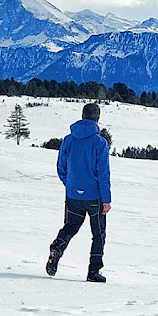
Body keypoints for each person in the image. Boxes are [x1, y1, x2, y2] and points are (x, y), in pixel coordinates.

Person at [46, 103, 111, 282]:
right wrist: (106, 199)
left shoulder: (68, 139)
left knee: (70, 227)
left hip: (73, 195)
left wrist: (70, 184)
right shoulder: (100, 143)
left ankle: (57, 248)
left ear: (82, 115)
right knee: (98, 234)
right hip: (95, 197)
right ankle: (93, 271)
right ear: (97, 118)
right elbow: (103, 173)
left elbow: (61, 167)